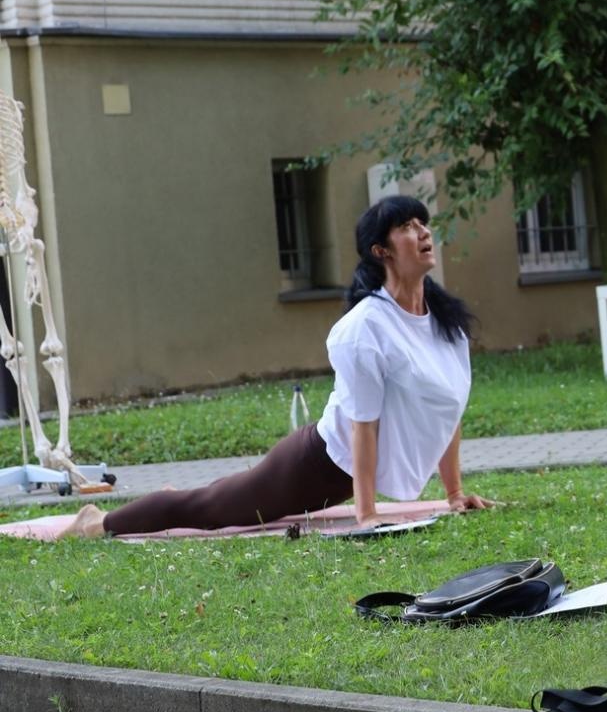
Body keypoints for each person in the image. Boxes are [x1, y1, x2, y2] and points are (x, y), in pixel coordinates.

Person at [62, 196, 494, 538]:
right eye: (407, 227)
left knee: (218, 499)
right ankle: (94, 521)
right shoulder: (365, 328)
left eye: (423, 224)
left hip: (341, 476)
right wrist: (366, 515)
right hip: (316, 464)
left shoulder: (445, 323)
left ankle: (178, 496)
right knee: (208, 512)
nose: (423, 233)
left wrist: (454, 493)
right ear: (381, 251)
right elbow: (364, 425)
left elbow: (445, 412)